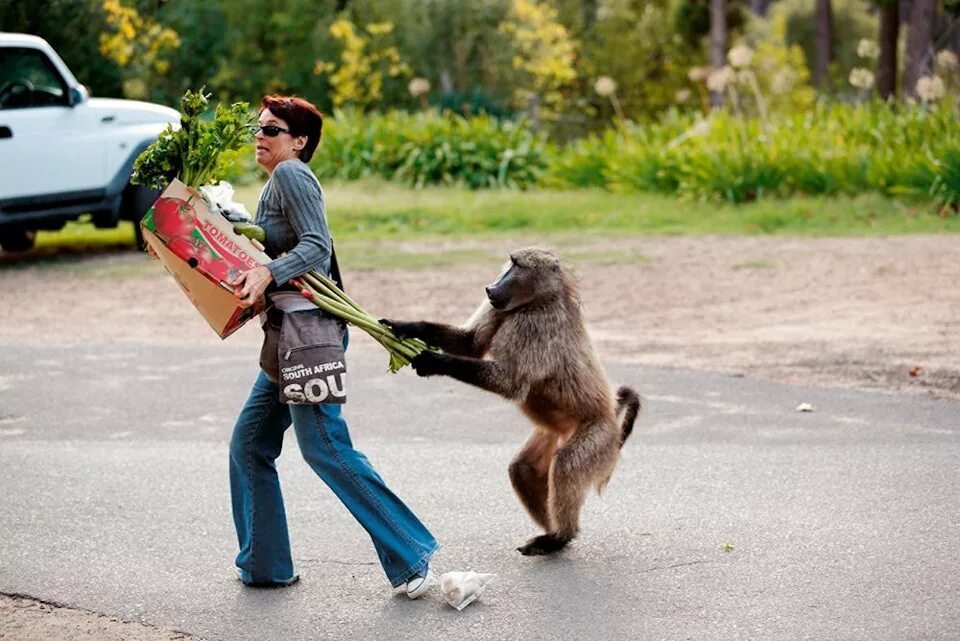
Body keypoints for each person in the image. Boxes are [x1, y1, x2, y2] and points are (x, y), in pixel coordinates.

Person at [228, 95, 438, 598]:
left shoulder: (291, 175)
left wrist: (267, 270)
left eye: (272, 130)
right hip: (289, 334)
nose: (260, 137)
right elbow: (288, 242)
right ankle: (263, 564)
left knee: (325, 448)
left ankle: (410, 552)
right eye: (257, 129)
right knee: (250, 443)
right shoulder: (277, 181)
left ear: (298, 142)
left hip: (309, 338)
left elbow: (316, 246)